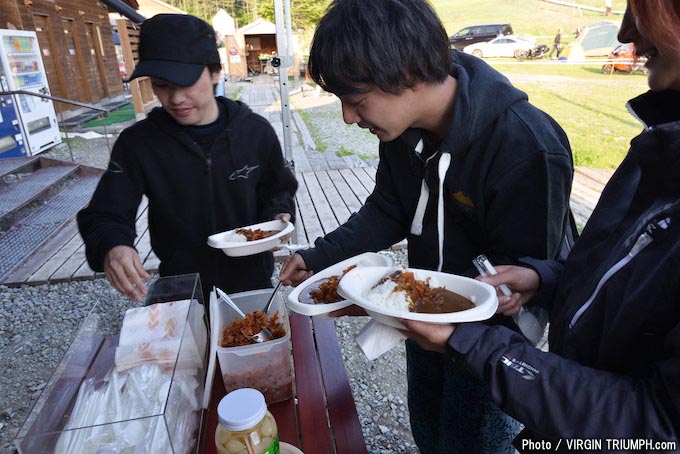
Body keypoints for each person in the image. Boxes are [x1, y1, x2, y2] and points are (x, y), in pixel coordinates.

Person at [278, 0, 576, 452]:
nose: (348, 118)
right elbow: (387, 209)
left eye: (356, 101)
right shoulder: (402, 132)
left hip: (488, 345)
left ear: (410, 73)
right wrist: (319, 257)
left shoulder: (524, 147)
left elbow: (529, 270)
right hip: (420, 318)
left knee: (470, 442)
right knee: (429, 433)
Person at [402, 0, 680, 450]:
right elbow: (622, 276)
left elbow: (660, 429)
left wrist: (473, 344)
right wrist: (545, 278)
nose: (627, 33)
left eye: (644, 10)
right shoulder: (660, 146)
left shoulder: (525, 145)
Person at [77, 14, 297, 302]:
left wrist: (278, 215)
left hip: (252, 281)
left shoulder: (255, 132)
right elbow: (106, 213)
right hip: (181, 286)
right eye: (162, 84)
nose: (176, 98)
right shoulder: (138, 143)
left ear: (215, 72)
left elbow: (277, 188)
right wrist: (113, 245)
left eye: (187, 83)